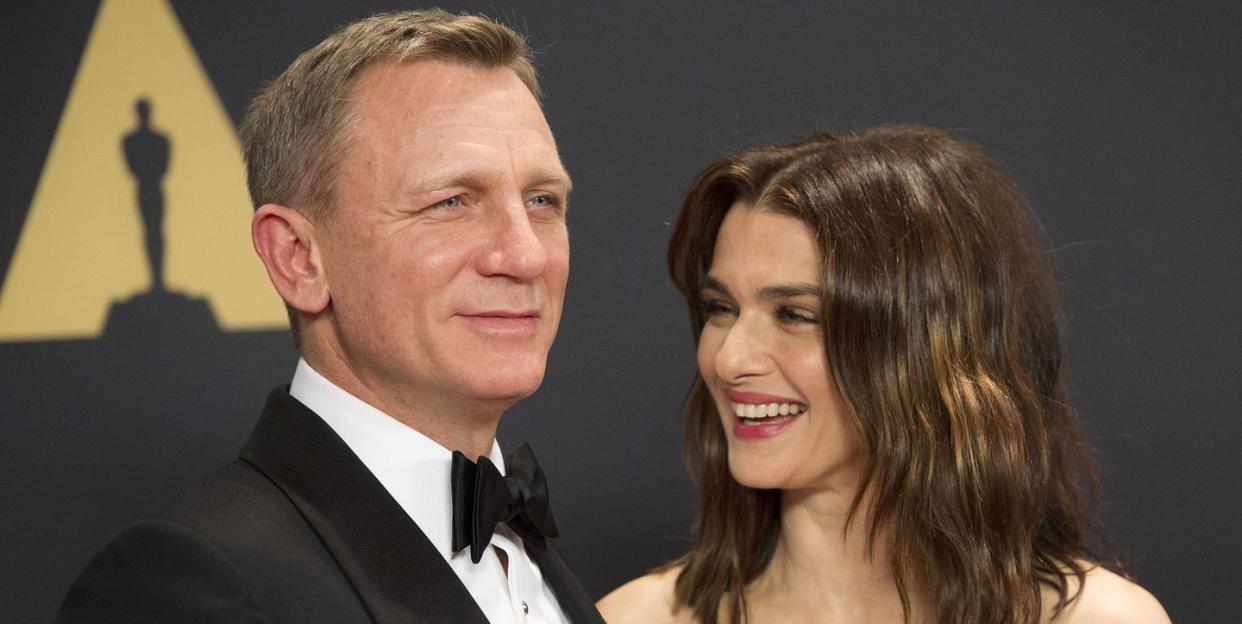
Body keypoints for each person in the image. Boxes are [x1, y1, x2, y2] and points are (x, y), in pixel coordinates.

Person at [57, 10, 603, 624]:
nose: (525, 254)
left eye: (542, 201)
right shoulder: (185, 584)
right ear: (298, 259)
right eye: (451, 202)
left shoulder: (538, 558)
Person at [598, 126, 1170, 623]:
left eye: (795, 315)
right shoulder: (632, 619)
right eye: (722, 309)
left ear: (924, 348)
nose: (728, 359)